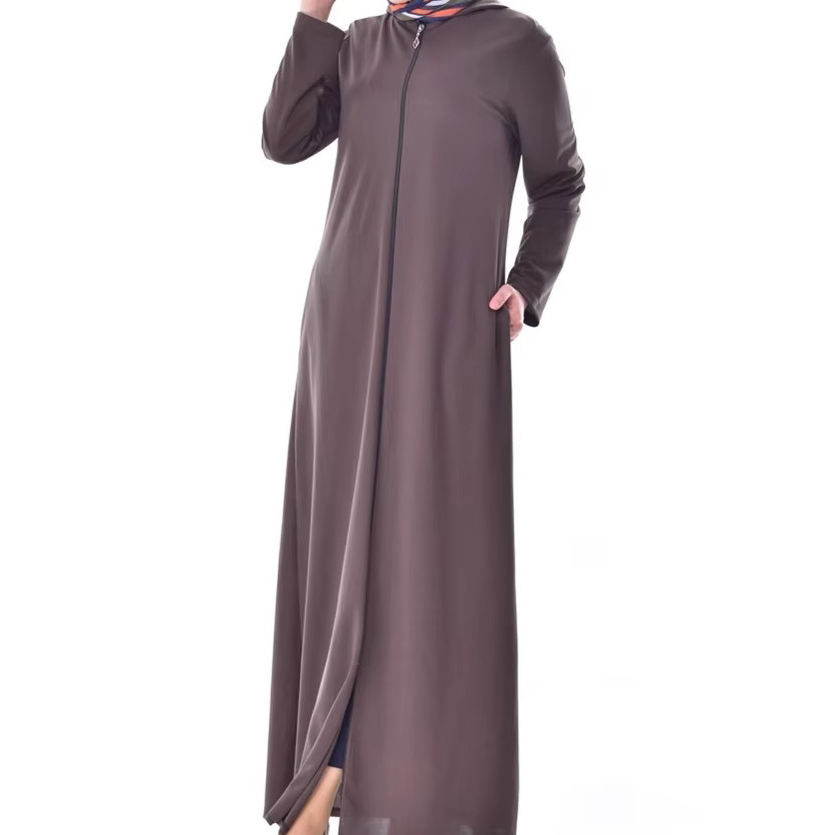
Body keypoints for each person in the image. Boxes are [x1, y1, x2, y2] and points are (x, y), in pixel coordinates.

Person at [261, 1, 584, 833]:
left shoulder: (518, 46)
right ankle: (325, 782)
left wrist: (528, 282)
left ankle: (355, 795)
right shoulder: (362, 43)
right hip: (342, 339)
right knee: (343, 565)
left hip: (446, 344)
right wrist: (316, 12)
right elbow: (283, 136)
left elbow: (559, 184)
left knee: (423, 570)